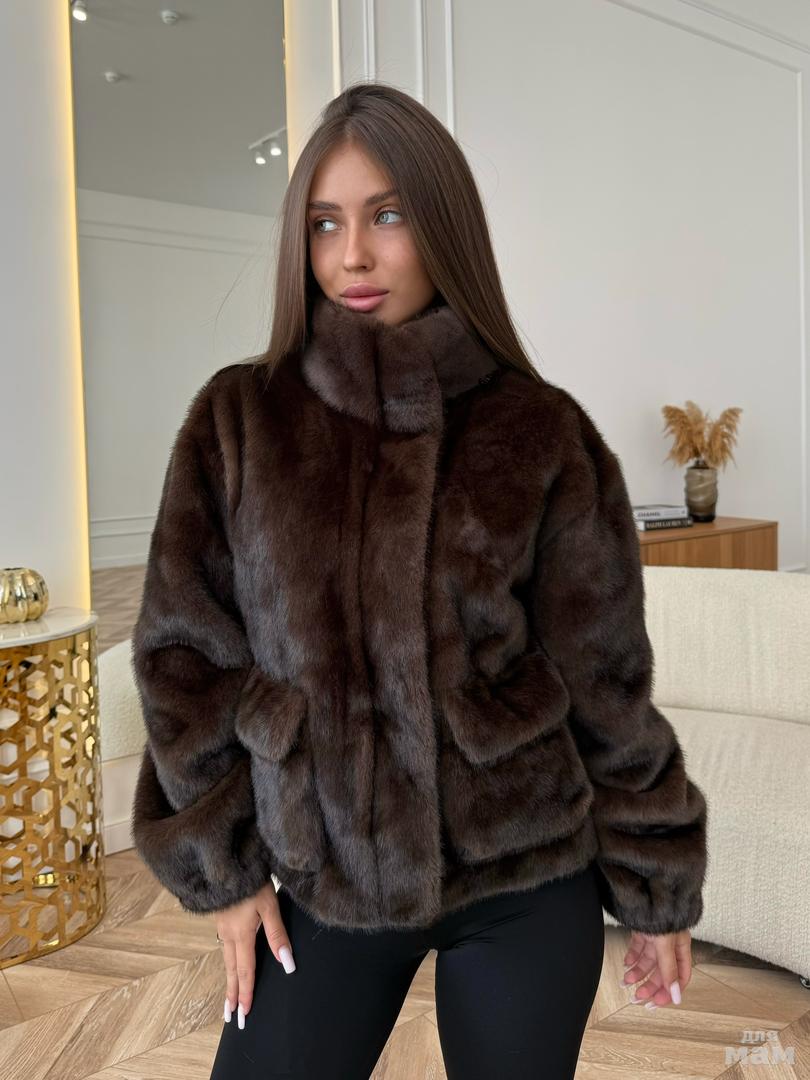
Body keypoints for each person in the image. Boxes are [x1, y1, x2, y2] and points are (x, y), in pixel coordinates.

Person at [130, 82, 708, 1080]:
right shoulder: (241, 421)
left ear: (444, 224)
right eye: (325, 223)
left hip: (525, 870)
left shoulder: (543, 431)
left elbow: (607, 680)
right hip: (322, 872)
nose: (352, 255)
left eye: (387, 215)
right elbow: (182, 658)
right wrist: (223, 870)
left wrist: (655, 891)